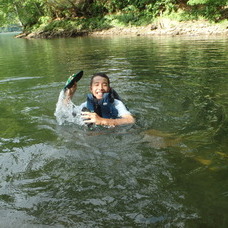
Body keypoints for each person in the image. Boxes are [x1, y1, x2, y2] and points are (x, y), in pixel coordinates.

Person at [64, 73, 135, 127]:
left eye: (104, 85)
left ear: (109, 89)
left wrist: (102, 121)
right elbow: (66, 112)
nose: (100, 88)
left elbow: (130, 120)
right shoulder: (85, 105)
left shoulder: (117, 104)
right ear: (91, 89)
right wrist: (69, 95)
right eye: (96, 84)